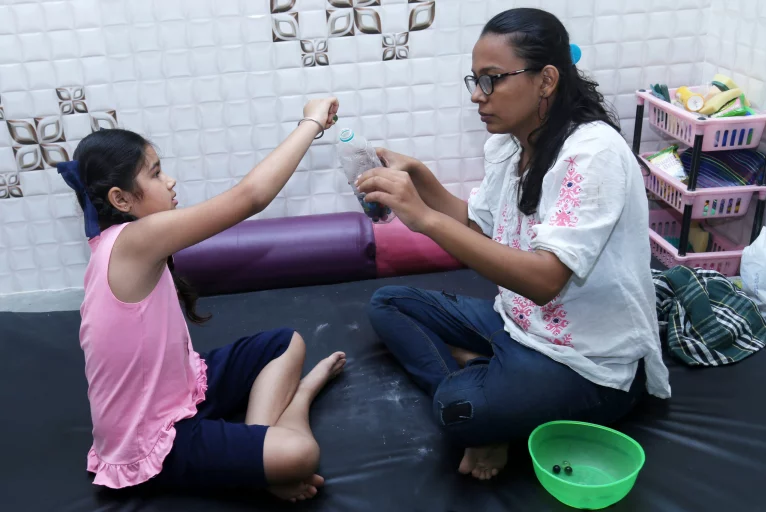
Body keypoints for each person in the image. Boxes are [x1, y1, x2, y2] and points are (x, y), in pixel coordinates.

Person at [361, 8, 671, 481]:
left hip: (587, 362)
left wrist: (423, 219)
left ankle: (488, 399)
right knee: (389, 302)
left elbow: (545, 281)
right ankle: (491, 385)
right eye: (475, 80)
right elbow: (479, 223)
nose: (476, 95)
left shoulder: (593, 154)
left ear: (546, 80)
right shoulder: (512, 144)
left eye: (491, 80)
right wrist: (420, 176)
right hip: (519, 325)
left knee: (457, 410)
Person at [61, 98, 344, 501]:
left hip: (180, 388)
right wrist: (312, 122)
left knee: (286, 343)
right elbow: (250, 197)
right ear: (121, 200)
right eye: (156, 174)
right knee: (301, 454)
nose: (170, 181)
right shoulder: (134, 241)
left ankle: (256, 453)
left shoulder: (117, 238)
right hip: (153, 439)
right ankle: (299, 400)